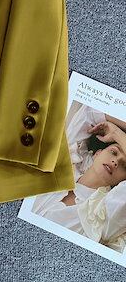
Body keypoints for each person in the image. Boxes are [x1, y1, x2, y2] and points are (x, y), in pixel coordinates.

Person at [32, 104, 126, 252]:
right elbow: (90, 112)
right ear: (97, 154)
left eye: (125, 166)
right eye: (114, 152)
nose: (116, 162)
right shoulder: (64, 163)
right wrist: (114, 132)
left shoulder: (106, 213)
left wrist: (117, 134)